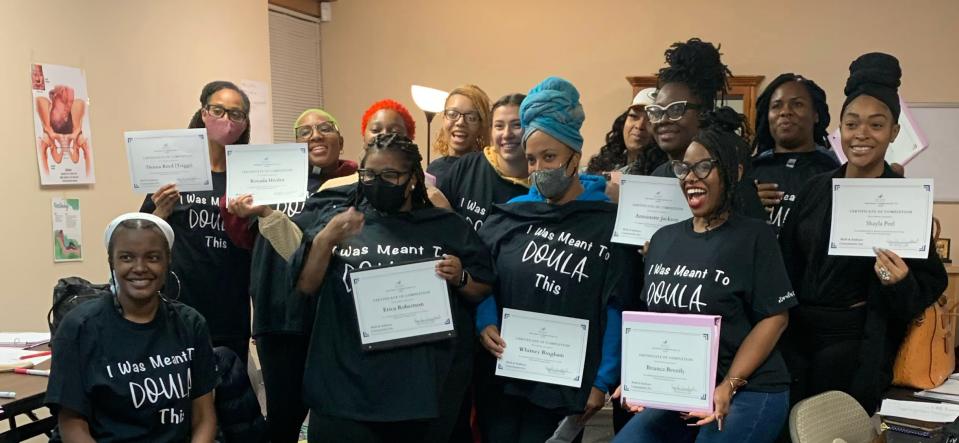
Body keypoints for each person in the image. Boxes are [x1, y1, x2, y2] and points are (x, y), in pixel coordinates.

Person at [288, 134, 495, 442]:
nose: (377, 182)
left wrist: (460, 277)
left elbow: (482, 288)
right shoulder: (339, 221)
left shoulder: (446, 226)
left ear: (412, 180)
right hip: (345, 388)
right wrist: (325, 240)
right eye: (369, 175)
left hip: (421, 393)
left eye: (390, 176)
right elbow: (305, 286)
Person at [779, 52, 948, 412]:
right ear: (840, 128)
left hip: (857, 344)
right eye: (852, 124)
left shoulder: (905, 201)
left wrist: (899, 282)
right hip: (796, 338)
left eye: (876, 124)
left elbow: (928, 286)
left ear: (894, 133)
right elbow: (785, 260)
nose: (862, 135)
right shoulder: (814, 189)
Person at [613, 110, 794, 443]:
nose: (690, 177)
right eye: (683, 168)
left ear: (734, 172)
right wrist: (641, 376)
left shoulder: (754, 236)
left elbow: (775, 319)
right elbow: (656, 321)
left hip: (750, 388)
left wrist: (730, 383)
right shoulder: (664, 239)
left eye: (703, 166)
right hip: (685, 389)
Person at [475, 77, 637, 443]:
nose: (538, 169)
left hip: (565, 385)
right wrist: (484, 322)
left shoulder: (607, 224)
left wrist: (602, 379)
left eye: (549, 157)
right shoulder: (508, 216)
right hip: (504, 374)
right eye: (531, 159)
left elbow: (616, 306)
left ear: (575, 158)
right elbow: (482, 276)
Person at [222, 108, 356, 442]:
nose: (315, 135)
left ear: (341, 140)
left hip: (332, 315)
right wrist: (238, 210)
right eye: (304, 131)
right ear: (293, 144)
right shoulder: (271, 178)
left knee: (336, 411)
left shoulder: (355, 182)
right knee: (283, 415)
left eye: (325, 127)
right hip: (278, 313)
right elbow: (242, 238)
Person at [46, 213, 218, 442]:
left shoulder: (190, 324)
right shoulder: (79, 327)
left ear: (168, 261)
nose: (140, 267)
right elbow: (71, 424)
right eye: (127, 257)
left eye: (153, 257)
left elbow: (203, 417)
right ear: (112, 263)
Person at [141, 80, 253, 362]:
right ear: (203, 113)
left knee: (229, 393)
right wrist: (161, 212)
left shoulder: (249, 174)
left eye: (236, 114)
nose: (226, 120)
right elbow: (141, 235)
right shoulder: (176, 171)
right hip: (179, 304)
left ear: (244, 123)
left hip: (230, 308)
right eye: (218, 110)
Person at [646, 38, 765, 219]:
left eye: (676, 109)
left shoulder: (728, 177)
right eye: (657, 111)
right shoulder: (658, 176)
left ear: (704, 113)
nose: (663, 120)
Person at [751, 74, 839, 235]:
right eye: (776, 106)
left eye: (797, 104)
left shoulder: (835, 171)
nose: (785, 112)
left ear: (816, 115)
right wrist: (743, 204)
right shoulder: (748, 171)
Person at [438, 93, 530, 231]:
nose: (507, 134)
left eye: (517, 125)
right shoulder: (467, 165)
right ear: (491, 132)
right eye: (499, 126)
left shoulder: (538, 190)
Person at [588, 88, 666, 176]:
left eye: (650, 120)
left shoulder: (663, 173)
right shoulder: (605, 163)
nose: (639, 126)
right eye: (634, 116)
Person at [427, 85, 492, 183]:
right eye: (453, 114)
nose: (460, 122)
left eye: (471, 117)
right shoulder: (433, 169)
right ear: (443, 119)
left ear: (481, 126)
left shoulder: (487, 170)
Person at [36, 84, 91, 176]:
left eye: (70, 102)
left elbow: (73, 159)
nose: (68, 106)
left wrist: (78, 134)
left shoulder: (75, 109)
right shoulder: (45, 105)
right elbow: (58, 159)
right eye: (65, 101)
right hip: (53, 132)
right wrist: (48, 131)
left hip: (70, 132)